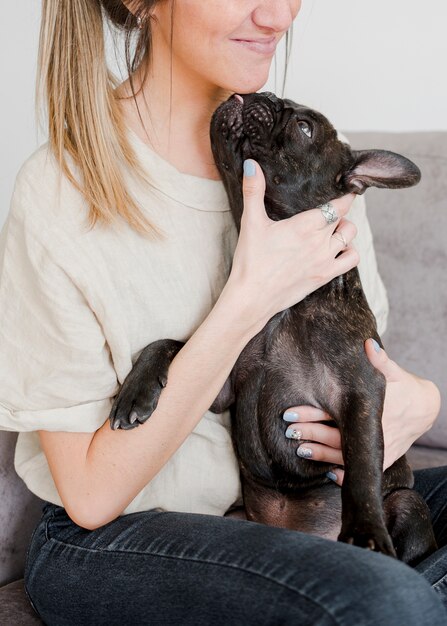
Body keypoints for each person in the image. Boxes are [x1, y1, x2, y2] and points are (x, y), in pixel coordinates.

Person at [1, 1, 446, 624]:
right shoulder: (61, 193)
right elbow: (91, 498)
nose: (280, 14)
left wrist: (421, 403)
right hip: (113, 538)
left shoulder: (310, 172)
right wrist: (252, 294)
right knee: (385, 601)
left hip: (297, 507)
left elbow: (354, 366)